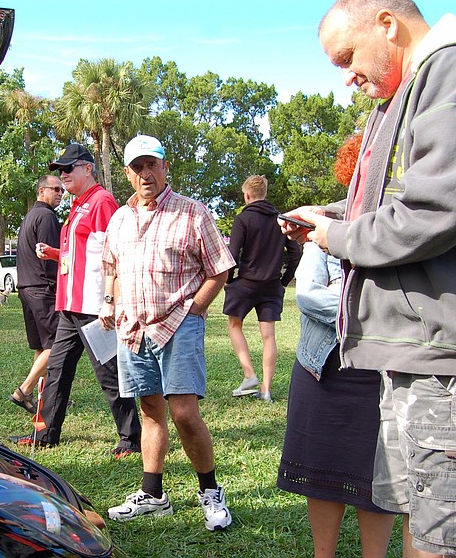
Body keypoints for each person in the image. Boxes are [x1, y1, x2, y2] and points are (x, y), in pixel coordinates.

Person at [280, 0, 456, 555]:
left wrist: (337, 237)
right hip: (420, 356)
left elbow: (452, 205)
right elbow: (413, 200)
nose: (348, 77)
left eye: (347, 56)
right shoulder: (412, 89)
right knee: (422, 529)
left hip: (453, 361)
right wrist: (336, 217)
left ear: (388, 24)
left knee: (450, 544)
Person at [102, 135, 235, 531]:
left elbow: (220, 269)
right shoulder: (120, 219)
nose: (146, 173)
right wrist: (109, 301)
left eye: (152, 165)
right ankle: (154, 494)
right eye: (137, 167)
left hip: (178, 325)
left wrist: (194, 310)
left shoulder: (193, 213)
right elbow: (111, 266)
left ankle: (210, 491)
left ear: (165, 168)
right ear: (128, 174)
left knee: (183, 412)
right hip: (133, 330)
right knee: (149, 411)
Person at [9, 144, 141, 458]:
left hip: (94, 305)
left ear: (87, 168)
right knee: (56, 370)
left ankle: (131, 439)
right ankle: (45, 434)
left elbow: (115, 253)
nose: (63, 175)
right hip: (70, 306)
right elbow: (83, 253)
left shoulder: (101, 201)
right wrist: (55, 253)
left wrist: (111, 300)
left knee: (109, 373)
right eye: (60, 170)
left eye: (69, 168)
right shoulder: (78, 204)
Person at [277, 243, 395, 557]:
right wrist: (384, 316)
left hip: (381, 375)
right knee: (321, 473)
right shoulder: (324, 234)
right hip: (322, 371)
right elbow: (308, 297)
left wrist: (352, 308)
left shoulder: (399, 230)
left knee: (377, 477)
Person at [224, 174, 301, 401]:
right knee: (268, 336)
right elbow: (296, 253)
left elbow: (233, 253)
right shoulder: (280, 219)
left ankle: (249, 374)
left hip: (246, 284)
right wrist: (284, 281)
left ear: (247, 195)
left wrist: (229, 279)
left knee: (234, 324)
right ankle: (266, 390)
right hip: (271, 286)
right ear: (264, 194)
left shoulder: (243, 219)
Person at [9, 174, 63, 413]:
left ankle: (45, 398)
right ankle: (24, 391)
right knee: (58, 342)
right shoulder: (47, 216)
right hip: (43, 289)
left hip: (26, 288)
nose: (61, 194)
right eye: (56, 190)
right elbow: (48, 257)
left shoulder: (30, 216)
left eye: (62, 191)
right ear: (42, 191)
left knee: (42, 347)